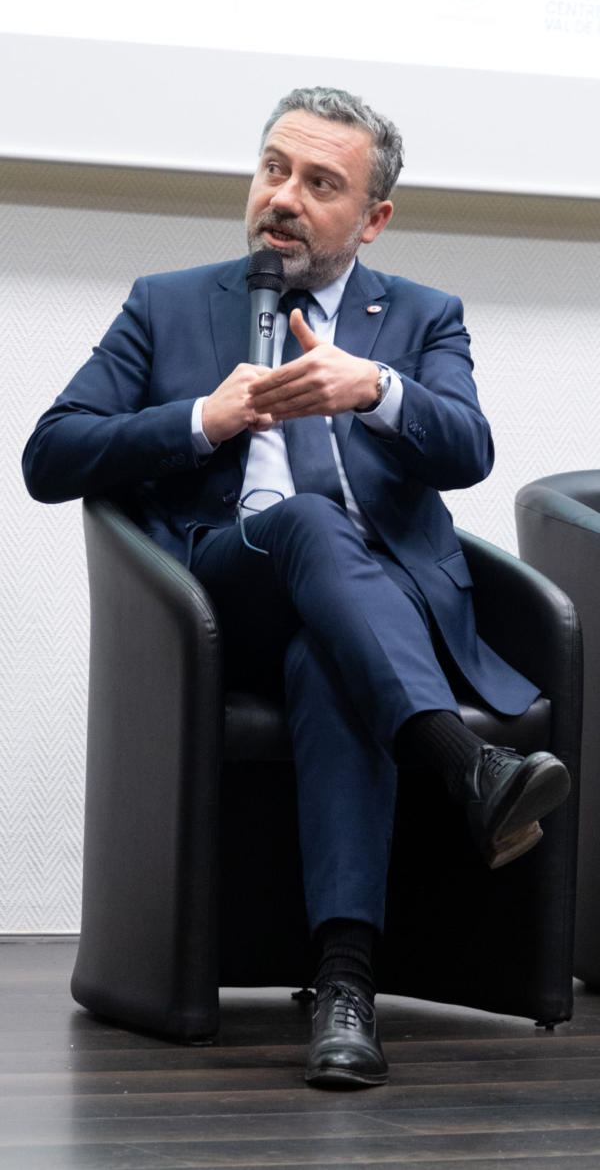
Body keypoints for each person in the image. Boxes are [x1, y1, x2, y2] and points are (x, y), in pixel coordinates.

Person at [23, 85, 570, 1090]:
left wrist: (378, 389)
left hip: (371, 609)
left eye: (321, 183)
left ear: (373, 217)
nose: (284, 196)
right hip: (219, 599)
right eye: (275, 169)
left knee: (331, 658)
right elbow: (50, 454)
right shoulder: (168, 303)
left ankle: (345, 988)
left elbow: (470, 449)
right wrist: (203, 418)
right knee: (310, 522)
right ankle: (465, 765)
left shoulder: (420, 315)